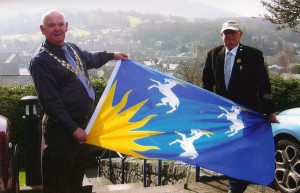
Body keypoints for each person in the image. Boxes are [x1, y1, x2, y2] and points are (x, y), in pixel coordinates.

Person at [29, 9, 128, 193]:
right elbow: (51, 102)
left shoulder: (72, 48)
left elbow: (92, 59)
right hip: (61, 131)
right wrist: (74, 130)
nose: (57, 29)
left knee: (75, 182)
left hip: (82, 125)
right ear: (43, 29)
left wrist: (113, 55)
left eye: (60, 24)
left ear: (67, 26)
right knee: (58, 185)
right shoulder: (40, 61)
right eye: (51, 25)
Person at [202, 20, 279, 193]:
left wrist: (269, 111)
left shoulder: (254, 55)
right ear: (221, 35)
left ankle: (236, 186)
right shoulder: (213, 54)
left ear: (240, 34)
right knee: (230, 148)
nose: (229, 36)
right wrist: (206, 109)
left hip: (248, 112)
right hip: (225, 114)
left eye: (233, 33)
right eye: (226, 33)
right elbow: (207, 84)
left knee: (242, 148)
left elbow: (263, 85)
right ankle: (236, 182)